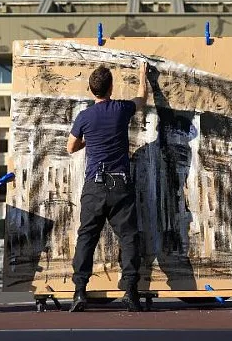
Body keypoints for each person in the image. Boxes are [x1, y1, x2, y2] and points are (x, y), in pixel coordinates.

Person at [66, 61, 149, 312]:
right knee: (129, 236)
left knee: (87, 238)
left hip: (95, 185)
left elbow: (70, 147)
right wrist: (143, 75)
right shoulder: (121, 109)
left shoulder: (84, 117)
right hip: (120, 184)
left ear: (91, 90)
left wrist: (88, 141)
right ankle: (131, 292)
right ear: (111, 88)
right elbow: (141, 99)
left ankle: (80, 291)